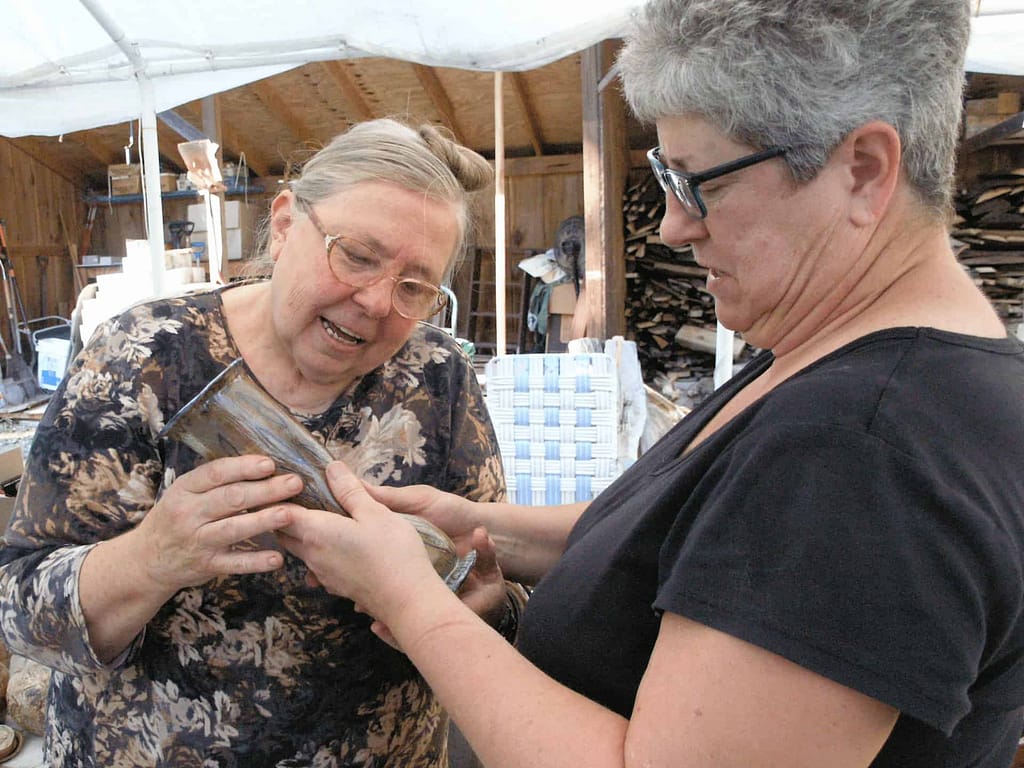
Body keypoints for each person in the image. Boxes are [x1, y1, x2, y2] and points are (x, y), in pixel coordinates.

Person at [275, 1, 1024, 766]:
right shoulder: (853, 361)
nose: (671, 224)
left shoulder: (861, 450)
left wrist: (412, 600)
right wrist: (475, 525)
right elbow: (689, 549)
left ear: (862, 170)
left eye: (699, 181)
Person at [0, 118, 510, 766]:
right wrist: (150, 558)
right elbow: (15, 607)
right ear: (285, 222)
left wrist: (479, 609)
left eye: (414, 286)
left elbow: (491, 576)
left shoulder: (437, 375)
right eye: (356, 255)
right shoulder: (142, 357)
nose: (379, 302)